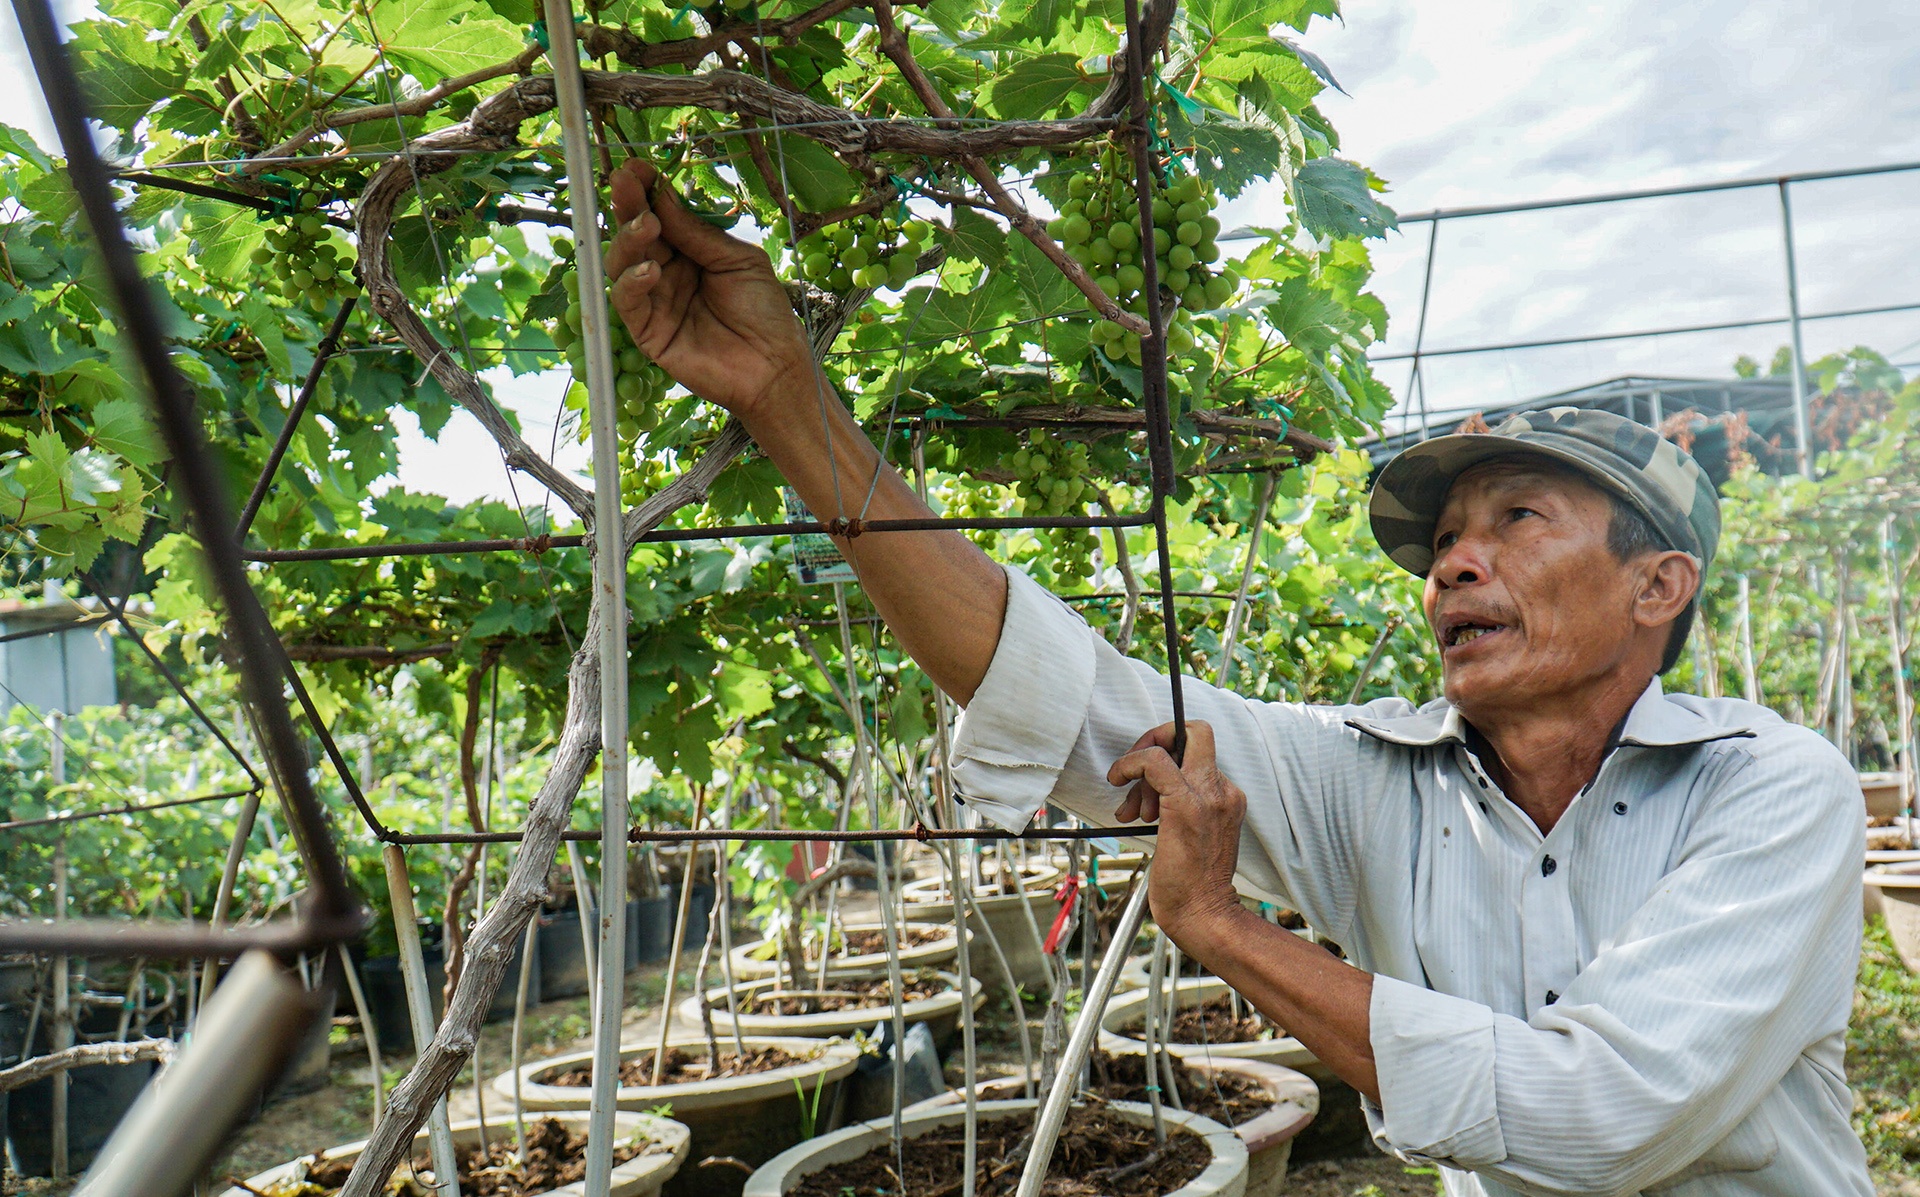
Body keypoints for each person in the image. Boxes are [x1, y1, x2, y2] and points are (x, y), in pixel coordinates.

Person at [601, 158, 1873, 1196]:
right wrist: (788, 400)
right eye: (1442, 546)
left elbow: (1608, 1114)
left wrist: (1219, 928)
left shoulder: (1772, 791)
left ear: (1659, 587)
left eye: (1518, 522)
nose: (1453, 569)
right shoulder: (1373, 781)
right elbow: (1057, 690)